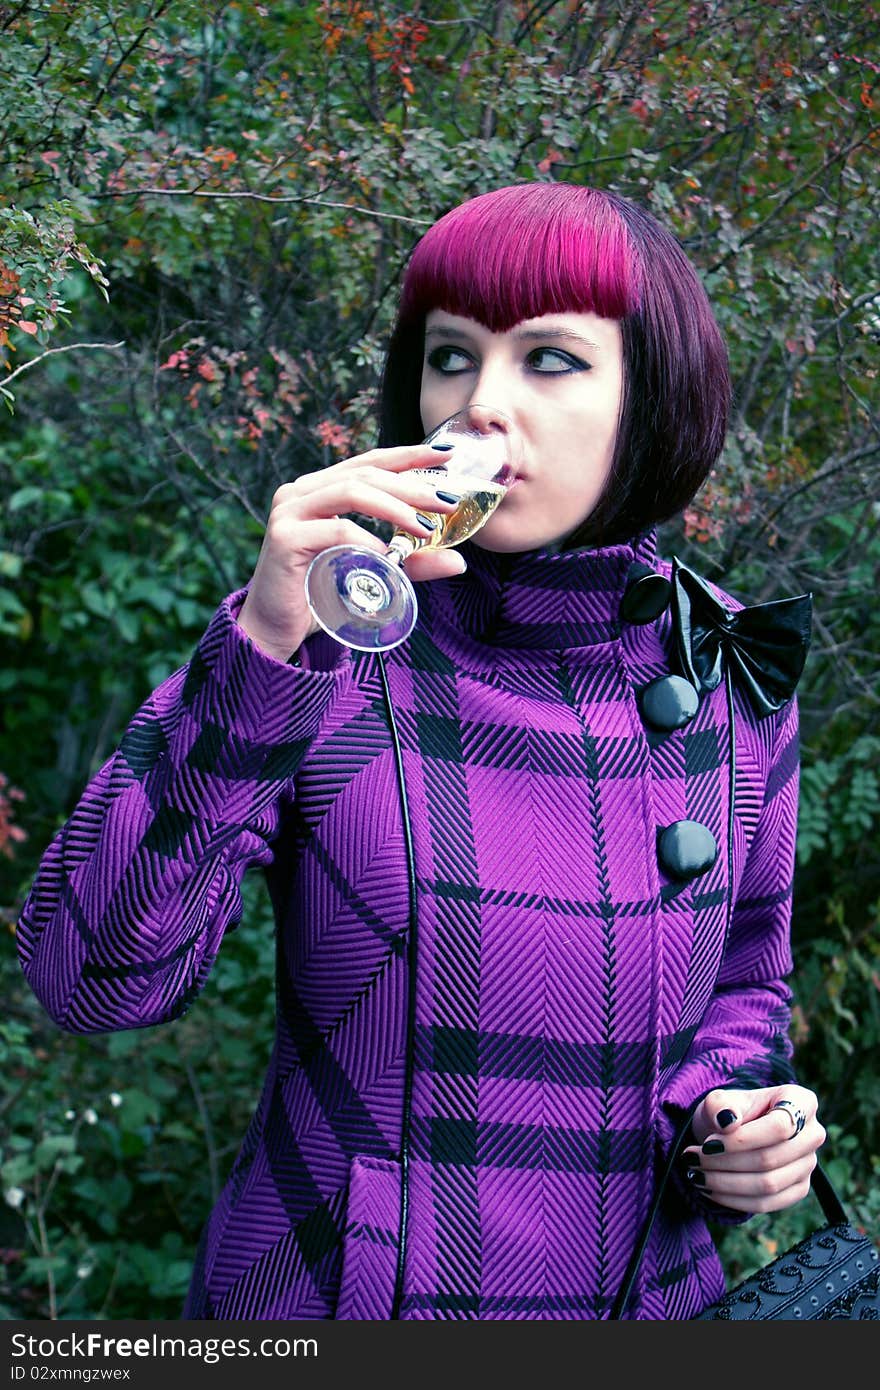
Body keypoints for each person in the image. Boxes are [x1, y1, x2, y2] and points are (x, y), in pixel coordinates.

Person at [16, 182, 825, 1321]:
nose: (478, 405)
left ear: (655, 391)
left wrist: (733, 1131)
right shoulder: (324, 638)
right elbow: (90, 978)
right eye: (452, 357)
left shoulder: (727, 673)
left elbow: (745, 986)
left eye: (548, 359)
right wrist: (259, 642)